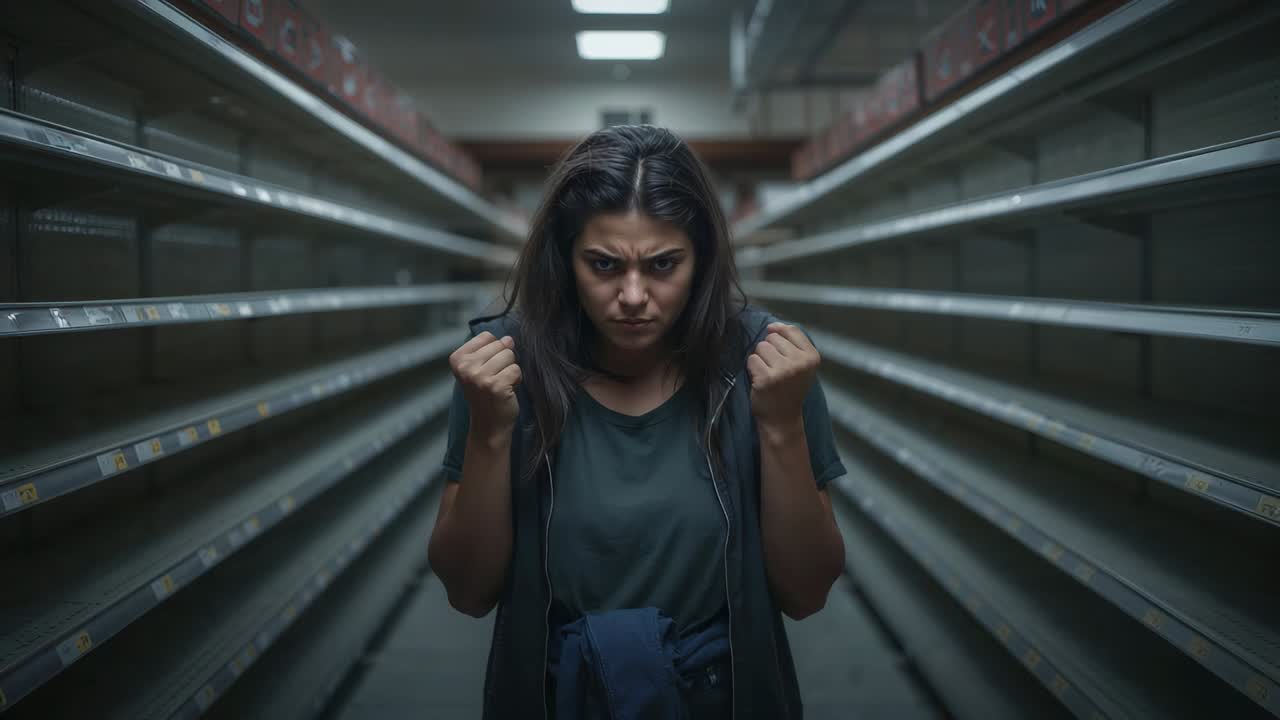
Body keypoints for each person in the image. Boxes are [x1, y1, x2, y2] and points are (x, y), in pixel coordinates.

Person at [428, 124, 847, 720]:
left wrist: (781, 426)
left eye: (662, 265)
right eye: (603, 264)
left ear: (701, 260)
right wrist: (491, 433)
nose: (631, 295)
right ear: (565, 258)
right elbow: (467, 593)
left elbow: (806, 594)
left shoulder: (768, 365)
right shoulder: (502, 368)